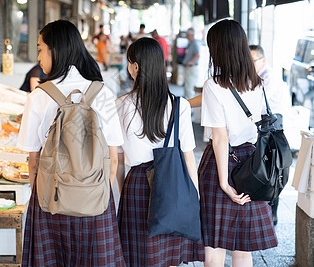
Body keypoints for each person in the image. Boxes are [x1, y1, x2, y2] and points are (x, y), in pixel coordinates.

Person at [17, 20, 125, 266]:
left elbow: (32, 158)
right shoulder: (102, 93)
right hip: (96, 200)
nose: (39, 56)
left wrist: (38, 193)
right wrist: (100, 193)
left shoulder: (39, 96)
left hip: (51, 199)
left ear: (55, 50)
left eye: (40, 48)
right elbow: (114, 156)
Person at [116, 37, 204, 266]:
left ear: (135, 67)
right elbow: (188, 156)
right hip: (172, 183)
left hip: (136, 184)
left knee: (137, 256)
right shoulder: (179, 105)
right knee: (167, 256)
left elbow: (117, 160)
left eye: (129, 62)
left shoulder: (121, 105)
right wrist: (194, 196)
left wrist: (121, 192)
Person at [199, 19, 277, 267]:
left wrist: (224, 183)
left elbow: (220, 137)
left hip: (221, 164)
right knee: (243, 247)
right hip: (252, 165)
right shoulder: (256, 82)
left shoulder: (214, 85)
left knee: (215, 244)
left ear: (218, 48)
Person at [249, 44, 291, 226]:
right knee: (265, 168)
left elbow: (257, 103)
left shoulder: (268, 77)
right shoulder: (257, 76)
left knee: (273, 170)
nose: (248, 64)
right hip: (266, 125)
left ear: (263, 60)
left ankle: (271, 215)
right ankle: (266, 213)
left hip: (273, 126)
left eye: (252, 61)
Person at [182, 28, 201, 99]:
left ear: (191, 35)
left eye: (187, 34)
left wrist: (190, 62)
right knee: (187, 86)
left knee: (189, 87)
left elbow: (197, 55)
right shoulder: (190, 43)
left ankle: (190, 107)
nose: (186, 36)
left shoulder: (194, 43)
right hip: (189, 68)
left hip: (192, 68)